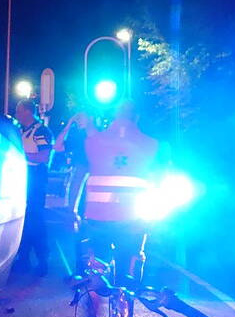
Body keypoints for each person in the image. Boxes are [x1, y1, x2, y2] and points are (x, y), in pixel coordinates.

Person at [77, 99, 160, 290]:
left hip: (97, 216)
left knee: (96, 264)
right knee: (130, 262)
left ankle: (93, 301)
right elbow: (157, 179)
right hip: (134, 217)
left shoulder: (93, 142)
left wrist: (72, 209)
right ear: (137, 117)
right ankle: (127, 293)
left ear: (114, 116)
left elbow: (79, 175)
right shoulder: (152, 144)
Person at [14, 99, 54, 276]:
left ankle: (42, 260)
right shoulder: (22, 131)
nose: (17, 115)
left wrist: (19, 155)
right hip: (22, 177)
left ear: (28, 112)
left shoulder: (40, 131)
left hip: (35, 178)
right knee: (24, 220)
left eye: (19, 111)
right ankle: (23, 259)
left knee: (35, 221)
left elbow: (44, 156)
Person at [54, 110, 95, 231]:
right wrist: (68, 124)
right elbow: (57, 146)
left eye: (81, 118)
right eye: (77, 119)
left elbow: (93, 135)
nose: (79, 121)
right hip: (80, 176)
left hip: (93, 175)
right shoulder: (76, 136)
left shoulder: (97, 135)